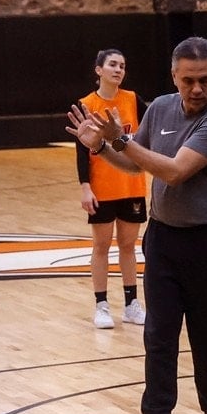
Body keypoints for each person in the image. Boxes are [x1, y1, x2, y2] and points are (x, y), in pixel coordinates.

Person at [67, 36, 207, 414]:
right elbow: (136, 163)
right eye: (188, 80)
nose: (197, 89)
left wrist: (121, 141)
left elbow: (175, 170)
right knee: (160, 337)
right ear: (174, 76)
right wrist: (101, 147)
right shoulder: (162, 108)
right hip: (165, 240)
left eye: (204, 80)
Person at [75, 48, 148, 329]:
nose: (118, 70)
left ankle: (131, 304)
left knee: (129, 246)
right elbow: (81, 152)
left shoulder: (133, 100)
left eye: (122, 66)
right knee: (101, 246)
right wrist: (85, 187)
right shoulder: (86, 104)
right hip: (102, 188)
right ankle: (102, 305)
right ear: (99, 70)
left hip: (132, 184)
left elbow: (146, 137)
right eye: (113, 65)